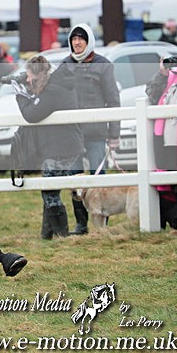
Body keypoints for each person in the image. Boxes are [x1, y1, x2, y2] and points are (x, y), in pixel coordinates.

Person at [58, 23, 121, 235]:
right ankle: (81, 224)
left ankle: (101, 223)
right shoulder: (64, 65)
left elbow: (113, 101)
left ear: (89, 41)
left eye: (81, 39)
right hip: (71, 134)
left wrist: (114, 134)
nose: (77, 43)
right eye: (74, 39)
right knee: (75, 180)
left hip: (96, 132)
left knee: (98, 178)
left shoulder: (104, 65)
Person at [14, 55, 84, 239]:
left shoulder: (53, 90)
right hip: (60, 146)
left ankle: (61, 235)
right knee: (49, 188)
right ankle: (47, 235)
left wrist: (20, 96)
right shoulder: (53, 86)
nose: (27, 79)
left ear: (38, 75)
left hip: (61, 147)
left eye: (29, 76)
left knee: (49, 190)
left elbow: (31, 114)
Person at [144, 57, 177, 229]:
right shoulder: (175, 77)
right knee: (173, 185)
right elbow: (151, 95)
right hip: (168, 141)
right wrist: (162, 73)